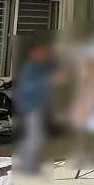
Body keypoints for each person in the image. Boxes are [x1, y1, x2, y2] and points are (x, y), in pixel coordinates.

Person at [11, 37, 58, 175]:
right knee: (33, 137)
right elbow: (27, 87)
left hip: (38, 106)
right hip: (30, 107)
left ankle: (28, 163)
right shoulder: (29, 68)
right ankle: (25, 165)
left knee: (36, 136)